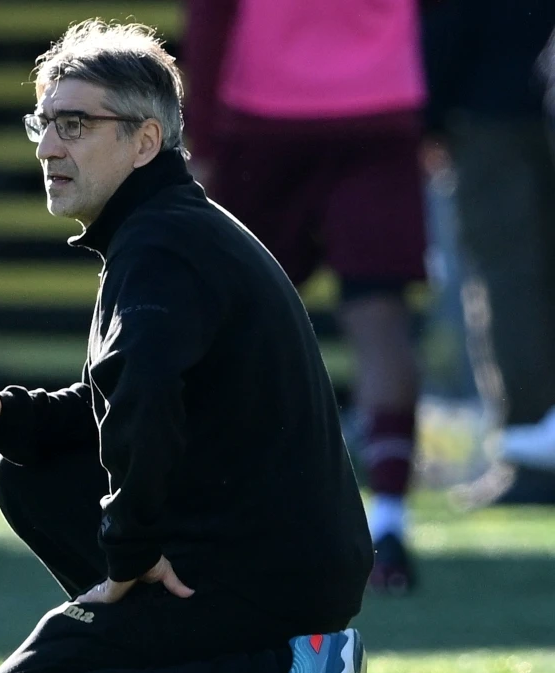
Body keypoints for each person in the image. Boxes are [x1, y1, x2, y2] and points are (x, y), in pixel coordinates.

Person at [0, 21, 370, 673]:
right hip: (275, 559)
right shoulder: (166, 230)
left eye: (76, 124)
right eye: (44, 123)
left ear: (144, 142)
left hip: (260, 573)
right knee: (29, 469)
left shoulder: (161, 245)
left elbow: (145, 394)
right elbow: (116, 400)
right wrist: (9, 415)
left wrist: (131, 552)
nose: (47, 147)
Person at [184, 0, 428, 592]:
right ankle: (389, 521)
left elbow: (210, 14)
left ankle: (229, 517)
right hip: (381, 104)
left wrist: (203, 139)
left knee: (239, 328)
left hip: (265, 110)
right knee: (379, 317)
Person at [425, 1, 555, 507]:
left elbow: (448, 19)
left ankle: (530, 453)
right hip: (508, 99)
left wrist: (430, 111)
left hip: (490, 110)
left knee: (511, 286)